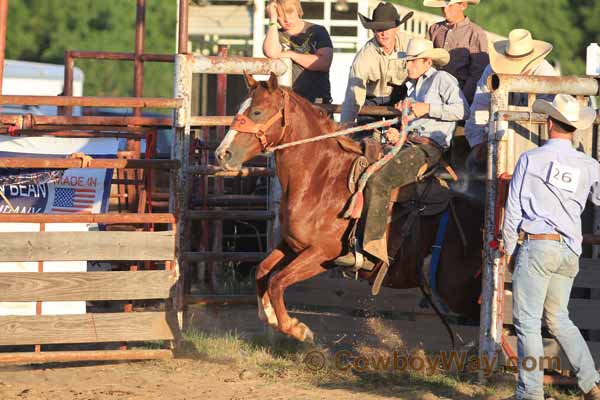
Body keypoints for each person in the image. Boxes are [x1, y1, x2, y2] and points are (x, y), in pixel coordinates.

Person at [335, 38, 469, 270]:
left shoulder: (444, 79)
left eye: (412, 62)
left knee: (379, 179)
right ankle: (352, 242)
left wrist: (427, 108)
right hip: (410, 143)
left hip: (428, 148)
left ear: (427, 61)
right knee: (360, 164)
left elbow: (463, 109)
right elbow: (413, 123)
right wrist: (399, 134)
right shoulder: (413, 87)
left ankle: (372, 251)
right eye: (407, 62)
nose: (407, 67)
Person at [502, 94, 600, 400]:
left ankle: (529, 394)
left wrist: (506, 248)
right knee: (559, 318)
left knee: (528, 323)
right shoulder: (589, 164)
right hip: (569, 251)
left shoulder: (530, 160)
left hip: (538, 246)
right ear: (574, 128)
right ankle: (591, 382)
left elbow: (513, 209)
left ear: (548, 123)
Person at [464, 29, 558, 170]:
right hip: (495, 137)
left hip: (533, 140)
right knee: (473, 164)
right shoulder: (491, 70)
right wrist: (478, 142)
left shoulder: (545, 75)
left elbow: (549, 116)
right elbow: (478, 108)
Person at [340, 2, 413, 127]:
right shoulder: (364, 57)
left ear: (397, 28)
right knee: (366, 139)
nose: (384, 33)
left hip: (399, 98)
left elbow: (422, 71)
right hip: (371, 100)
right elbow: (353, 94)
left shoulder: (409, 46)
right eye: (379, 29)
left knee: (404, 136)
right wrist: (345, 127)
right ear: (373, 30)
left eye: (388, 28)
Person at [262, 0, 333, 103]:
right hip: (288, 102)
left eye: (290, 13)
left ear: (298, 10)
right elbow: (271, 52)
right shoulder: (276, 35)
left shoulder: (317, 31)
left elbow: (324, 62)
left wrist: (290, 55)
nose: (287, 19)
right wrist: (272, 19)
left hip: (317, 102)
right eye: (280, 15)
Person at [423, 0, 488, 104]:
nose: (445, 10)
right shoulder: (434, 29)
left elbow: (477, 74)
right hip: (433, 93)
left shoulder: (476, 33)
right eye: (443, 6)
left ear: (463, 5)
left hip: (460, 93)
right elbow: (424, 60)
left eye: (450, 6)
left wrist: (462, 101)